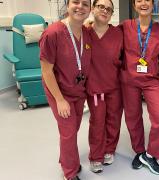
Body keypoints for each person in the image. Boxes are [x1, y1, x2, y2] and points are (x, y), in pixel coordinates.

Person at [39, 0, 91, 179]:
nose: (80, 7)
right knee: (68, 131)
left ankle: (65, 158)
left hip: (77, 89)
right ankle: (69, 172)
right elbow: (46, 70)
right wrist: (60, 100)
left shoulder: (86, 32)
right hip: (59, 91)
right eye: (76, 2)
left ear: (90, 9)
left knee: (73, 128)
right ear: (67, 5)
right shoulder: (52, 33)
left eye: (85, 3)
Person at [119, 0, 159, 175]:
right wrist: (90, 24)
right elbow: (106, 35)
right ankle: (139, 151)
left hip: (151, 80)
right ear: (134, 5)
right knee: (133, 118)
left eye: (147, 0)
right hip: (129, 80)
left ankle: (150, 154)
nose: (143, 3)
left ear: (153, 4)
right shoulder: (125, 26)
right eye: (139, 0)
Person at [86, 0, 123, 173]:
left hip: (115, 86)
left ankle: (109, 149)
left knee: (113, 120)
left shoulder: (118, 33)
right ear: (93, 9)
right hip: (95, 88)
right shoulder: (84, 32)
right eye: (101, 6)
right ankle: (95, 155)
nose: (105, 10)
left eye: (109, 9)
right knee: (97, 122)